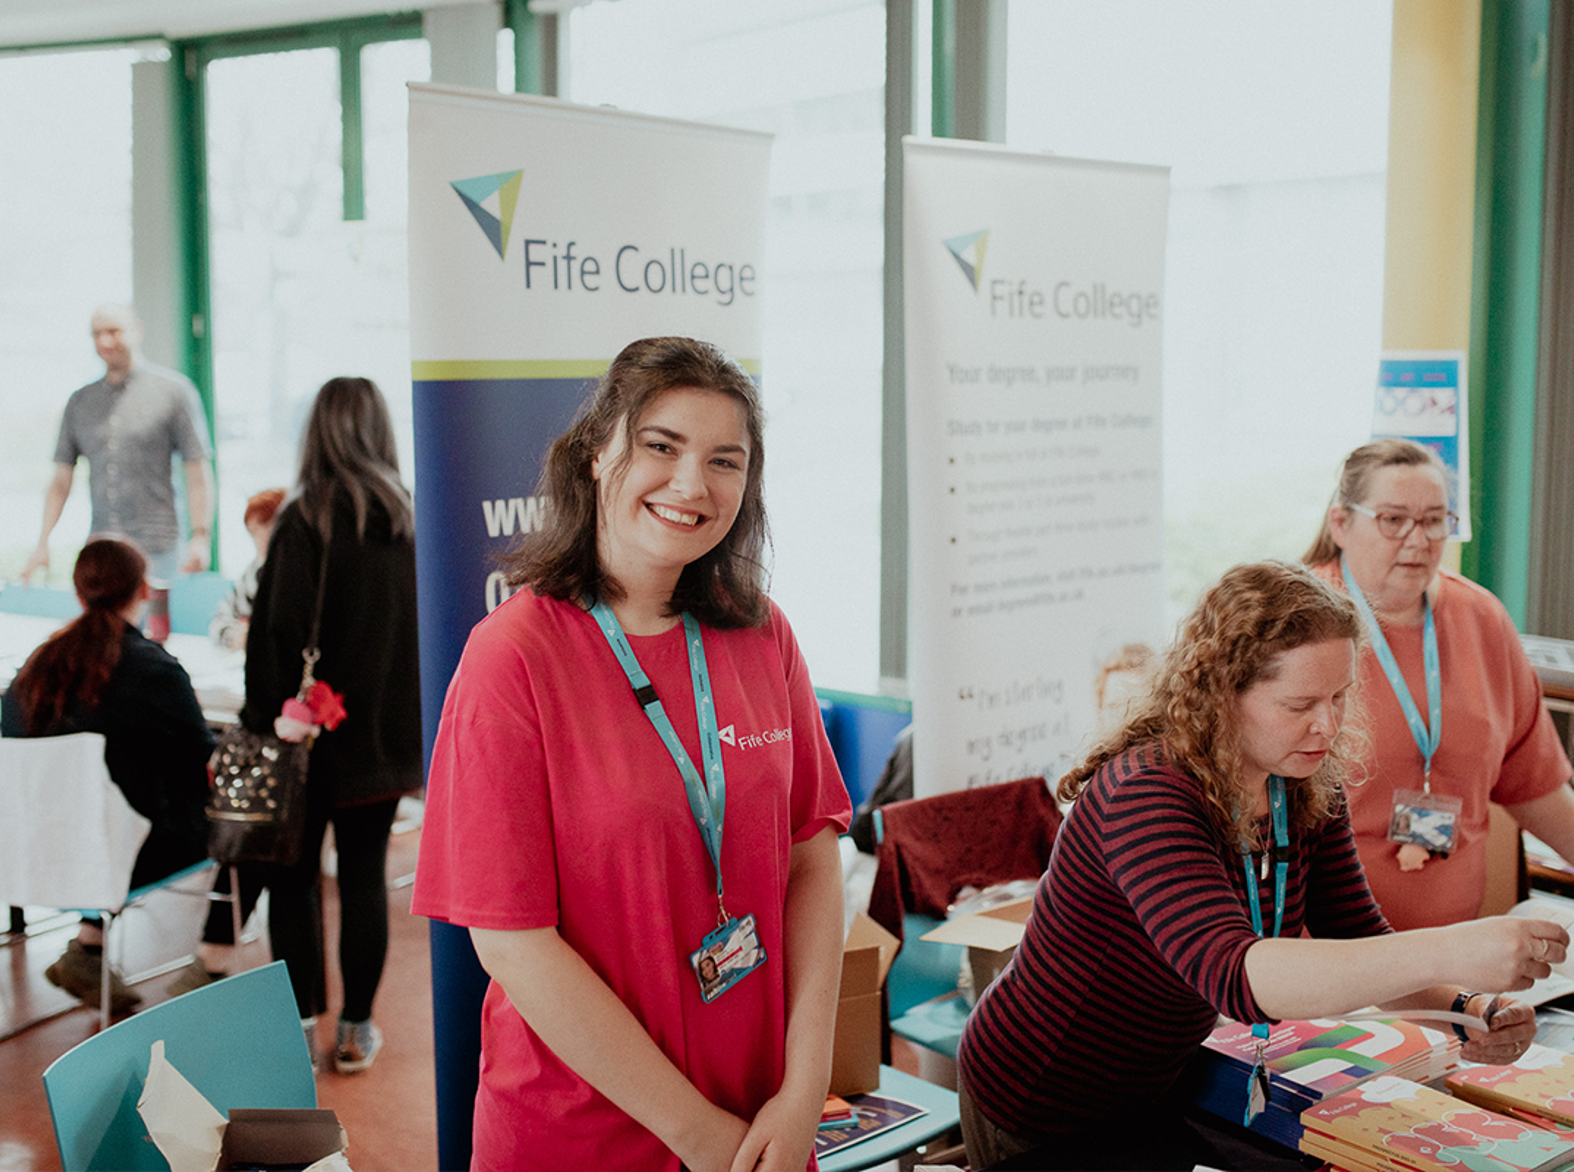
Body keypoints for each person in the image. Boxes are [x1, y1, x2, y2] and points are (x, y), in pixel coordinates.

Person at [955, 561, 1567, 1170]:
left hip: (1153, 1083)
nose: (1327, 725)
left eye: (1340, 696)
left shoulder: (1300, 780)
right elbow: (1237, 977)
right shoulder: (1146, 793)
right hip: (1040, 1095)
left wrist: (1466, 1010)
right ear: (1222, 695)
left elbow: (1354, 935)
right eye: (1300, 703)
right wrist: (1454, 950)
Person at [411, 336, 852, 1172]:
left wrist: (803, 1089)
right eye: (661, 446)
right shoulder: (513, 657)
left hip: (759, 1121)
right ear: (593, 455)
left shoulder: (761, 632)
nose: (693, 484)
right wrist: (696, 1134)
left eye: (726, 461)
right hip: (581, 1132)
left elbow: (812, 860)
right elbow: (512, 942)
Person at [1305, 438, 1574, 929]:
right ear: (1341, 523)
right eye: (1393, 520)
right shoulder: (1299, 622)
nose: (1418, 539)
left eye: (1434, 520)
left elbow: (1532, 785)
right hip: (1328, 952)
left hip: (1452, 953)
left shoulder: (1482, 619)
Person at [242, 376, 421, 1073]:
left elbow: (275, 639)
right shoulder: (407, 519)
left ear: (314, 432)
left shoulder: (304, 519)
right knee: (365, 879)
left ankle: (301, 1029)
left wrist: (265, 724)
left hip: (307, 746)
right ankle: (356, 1030)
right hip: (382, 743)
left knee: (294, 885)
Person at [1, 537, 213, 1012]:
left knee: (100, 812)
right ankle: (213, 964)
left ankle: (89, 945)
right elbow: (204, 760)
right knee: (235, 820)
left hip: (30, 852)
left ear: (78, 594)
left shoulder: (31, 669)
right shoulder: (155, 670)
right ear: (143, 591)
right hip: (122, 854)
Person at [22, 304, 214, 586]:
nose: (104, 341)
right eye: (96, 334)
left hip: (159, 549)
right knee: (103, 629)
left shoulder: (174, 392)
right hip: (102, 547)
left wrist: (201, 535)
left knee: (155, 630)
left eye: (113, 331)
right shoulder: (80, 402)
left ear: (136, 331)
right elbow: (61, 480)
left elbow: (197, 469)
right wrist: (43, 541)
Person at [210, 487, 287, 649]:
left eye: (268, 527)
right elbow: (218, 620)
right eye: (254, 532)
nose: (261, 539)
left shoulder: (303, 575)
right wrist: (234, 637)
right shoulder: (252, 575)